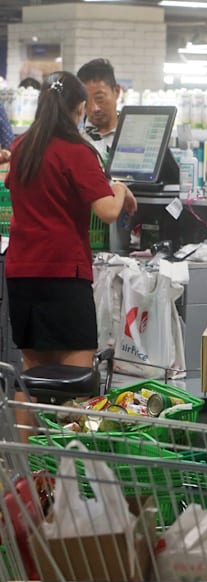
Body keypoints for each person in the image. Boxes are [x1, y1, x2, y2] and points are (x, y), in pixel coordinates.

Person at [4, 72, 136, 433]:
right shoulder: (77, 151)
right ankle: (69, 468)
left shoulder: (21, 146)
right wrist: (120, 189)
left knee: (32, 375)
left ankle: (25, 474)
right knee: (77, 377)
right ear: (79, 109)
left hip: (22, 274)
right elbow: (108, 211)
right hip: (64, 274)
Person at [77, 58, 121, 158]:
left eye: (99, 98)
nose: (94, 108)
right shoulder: (77, 140)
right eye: (86, 101)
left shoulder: (131, 135)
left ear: (116, 91)